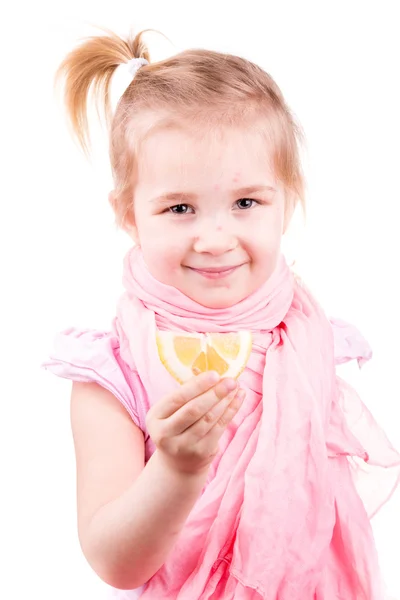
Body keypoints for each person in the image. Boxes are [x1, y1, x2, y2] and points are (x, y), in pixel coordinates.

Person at [41, 26, 400, 600]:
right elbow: (114, 562)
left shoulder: (305, 344)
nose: (215, 238)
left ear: (287, 199)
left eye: (246, 203)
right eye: (179, 207)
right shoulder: (114, 370)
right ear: (129, 214)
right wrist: (176, 471)